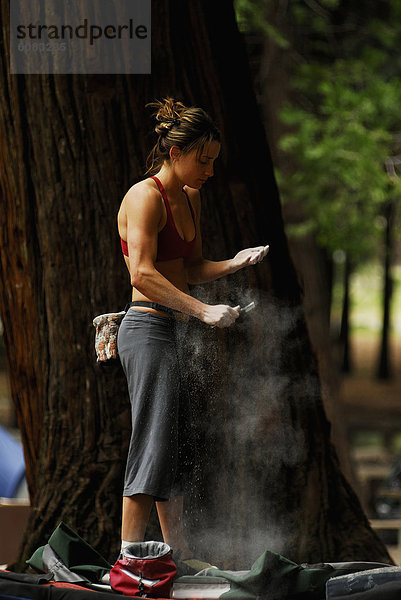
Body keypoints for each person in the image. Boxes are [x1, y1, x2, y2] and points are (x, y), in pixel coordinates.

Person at [117, 97, 269, 566]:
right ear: (175, 151)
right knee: (152, 437)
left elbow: (190, 268)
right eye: (202, 161)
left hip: (176, 328)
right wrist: (204, 314)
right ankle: (130, 556)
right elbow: (141, 274)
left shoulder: (191, 197)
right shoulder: (145, 197)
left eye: (213, 162)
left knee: (176, 442)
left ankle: (175, 554)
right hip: (145, 328)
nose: (208, 171)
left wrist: (235, 261)